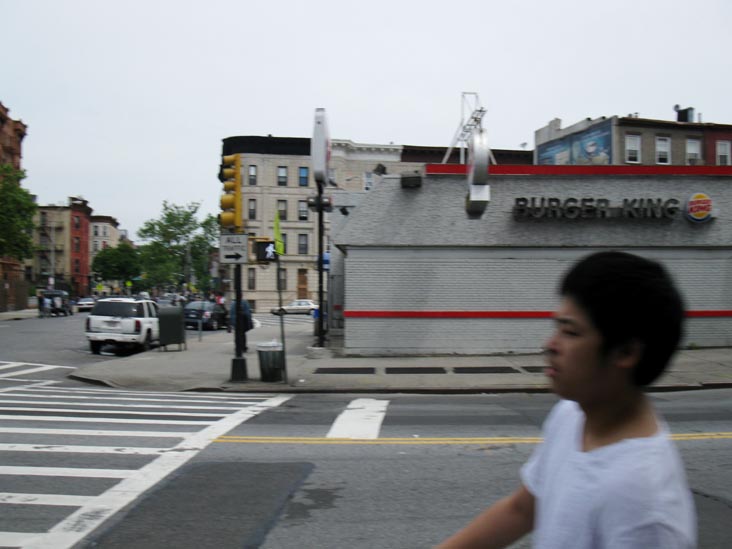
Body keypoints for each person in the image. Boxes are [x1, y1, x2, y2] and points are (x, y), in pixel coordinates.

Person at [437, 251, 696, 548]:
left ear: (626, 352)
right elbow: (522, 510)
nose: (550, 345)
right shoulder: (572, 414)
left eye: (570, 332)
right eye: (556, 328)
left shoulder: (645, 507)